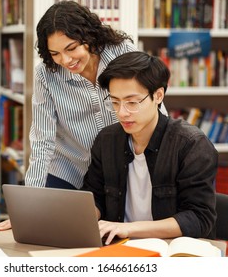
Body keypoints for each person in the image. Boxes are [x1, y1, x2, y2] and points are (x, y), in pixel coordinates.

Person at [0, 1, 137, 231]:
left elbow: (150, 108)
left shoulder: (123, 52)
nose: (66, 60)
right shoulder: (45, 74)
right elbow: (42, 140)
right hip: (68, 168)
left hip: (120, 168)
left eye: (71, 48)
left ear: (89, 36)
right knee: (47, 232)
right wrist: (28, 205)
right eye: (55, 53)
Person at [81, 51, 218, 245]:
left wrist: (127, 228)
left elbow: (199, 218)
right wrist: (85, 219)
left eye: (132, 102)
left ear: (158, 95)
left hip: (171, 252)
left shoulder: (191, 144)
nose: (122, 113)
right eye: (115, 102)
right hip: (118, 249)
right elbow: (94, 196)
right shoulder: (107, 140)